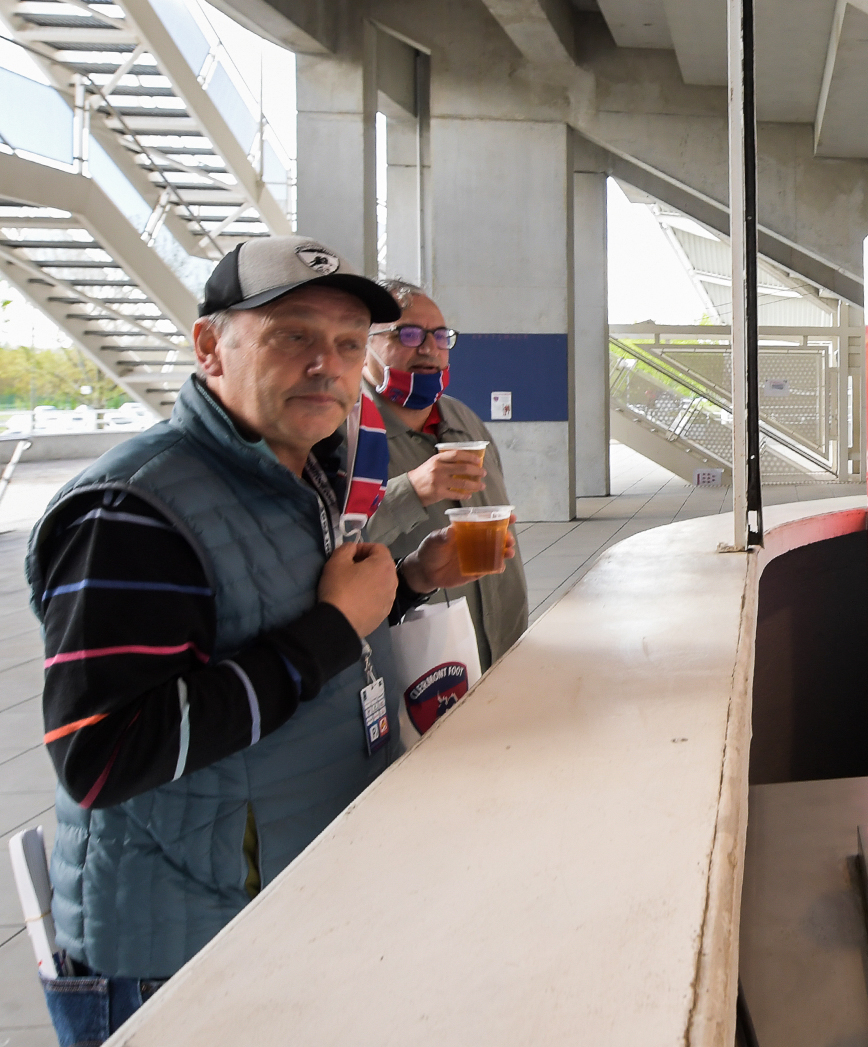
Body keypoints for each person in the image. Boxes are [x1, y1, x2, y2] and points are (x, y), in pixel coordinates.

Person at [26, 236, 515, 1045]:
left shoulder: (300, 474)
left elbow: (275, 625)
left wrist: (406, 588)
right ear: (211, 345)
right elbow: (100, 753)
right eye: (293, 334)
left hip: (287, 905)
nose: (327, 363)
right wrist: (331, 628)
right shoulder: (132, 511)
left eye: (348, 342)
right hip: (183, 952)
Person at [362, 280, 528, 669]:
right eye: (408, 333)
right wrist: (412, 491)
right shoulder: (345, 435)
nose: (428, 348)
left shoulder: (464, 421)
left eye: (440, 335)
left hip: (501, 646)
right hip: (415, 661)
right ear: (363, 342)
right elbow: (327, 546)